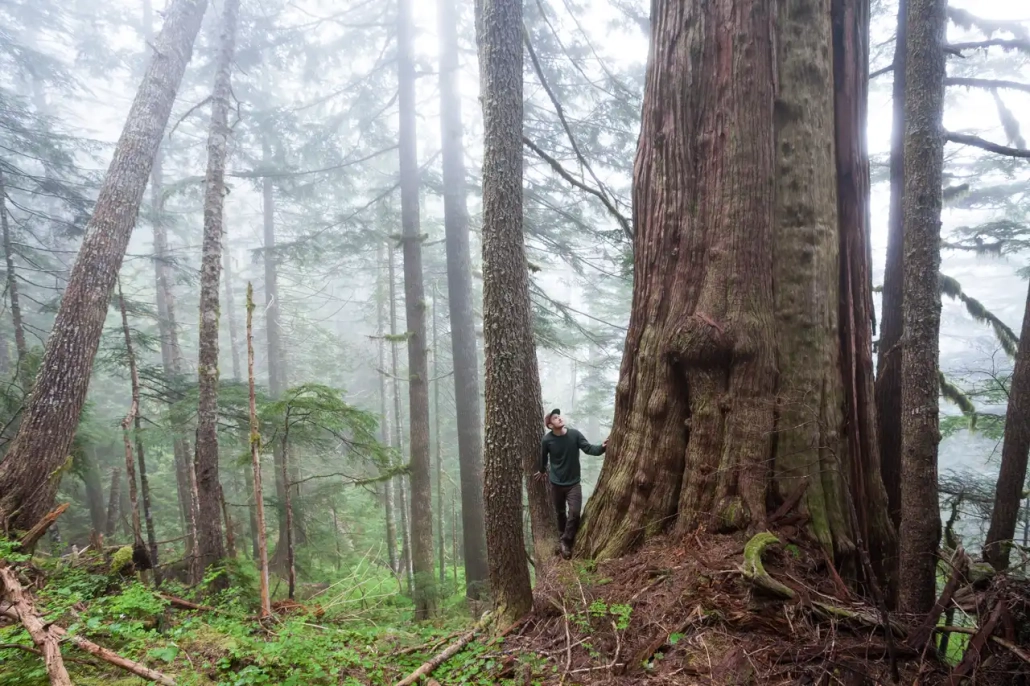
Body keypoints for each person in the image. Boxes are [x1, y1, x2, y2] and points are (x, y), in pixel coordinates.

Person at [535, 408, 608, 559]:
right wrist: (542, 471)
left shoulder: (574, 434)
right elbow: (543, 458)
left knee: (574, 512)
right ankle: (563, 537)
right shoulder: (547, 440)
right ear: (550, 425)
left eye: (559, 416)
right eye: (555, 418)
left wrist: (602, 448)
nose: (559, 418)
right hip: (556, 484)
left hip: (573, 483)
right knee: (560, 513)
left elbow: (588, 448)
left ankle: (566, 541)